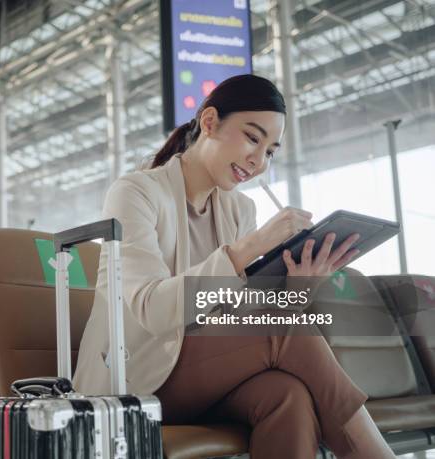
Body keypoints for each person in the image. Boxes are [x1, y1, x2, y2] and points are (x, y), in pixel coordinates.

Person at [73, 75, 395, 458]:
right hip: (134, 380)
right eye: (252, 138)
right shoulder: (136, 193)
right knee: (283, 332)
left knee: (286, 395)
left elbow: (243, 322)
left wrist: (299, 289)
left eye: (270, 151)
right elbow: (152, 310)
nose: (258, 161)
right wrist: (249, 249)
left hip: (202, 373)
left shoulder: (239, 209)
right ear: (209, 122)